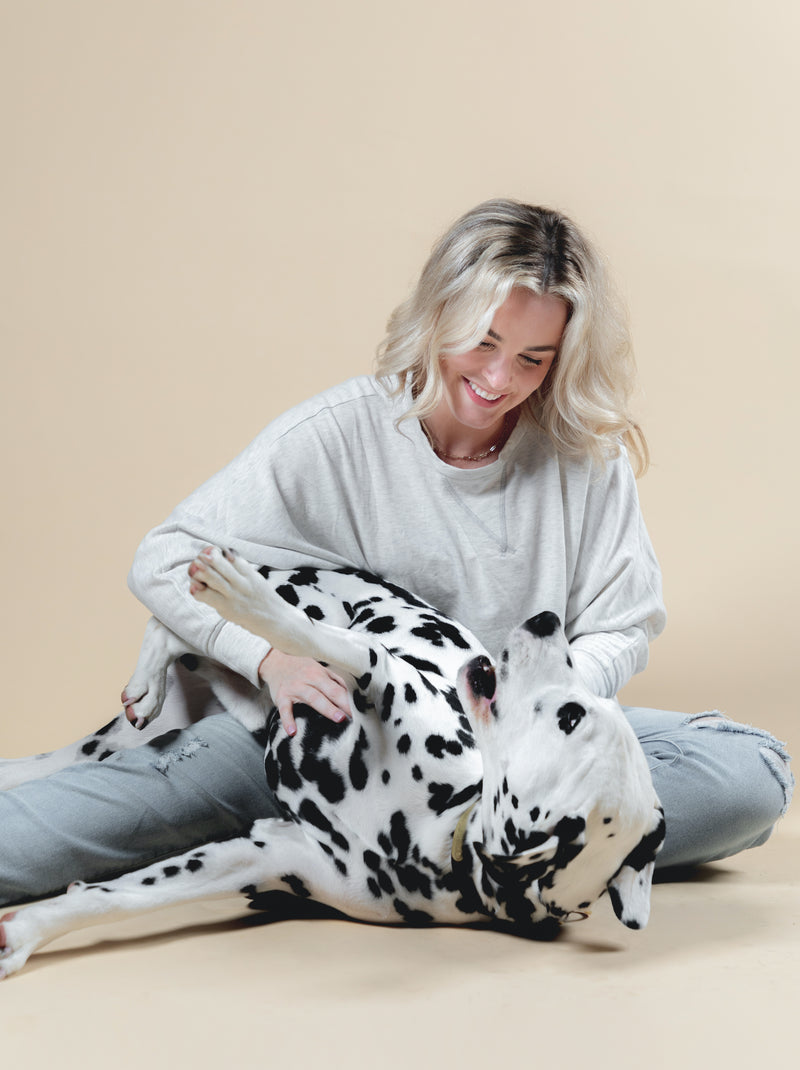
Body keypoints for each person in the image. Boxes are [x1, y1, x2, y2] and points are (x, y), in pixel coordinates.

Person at [0, 199, 792, 908]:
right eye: (482, 342)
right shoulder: (337, 436)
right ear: (439, 314)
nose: (498, 378)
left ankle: (426, 865)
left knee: (750, 776)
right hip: (309, 740)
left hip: (492, 767)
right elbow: (165, 556)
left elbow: (624, 624)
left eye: (533, 359)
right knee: (26, 847)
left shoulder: (586, 459)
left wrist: (541, 712)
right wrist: (266, 662)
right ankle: (446, 868)